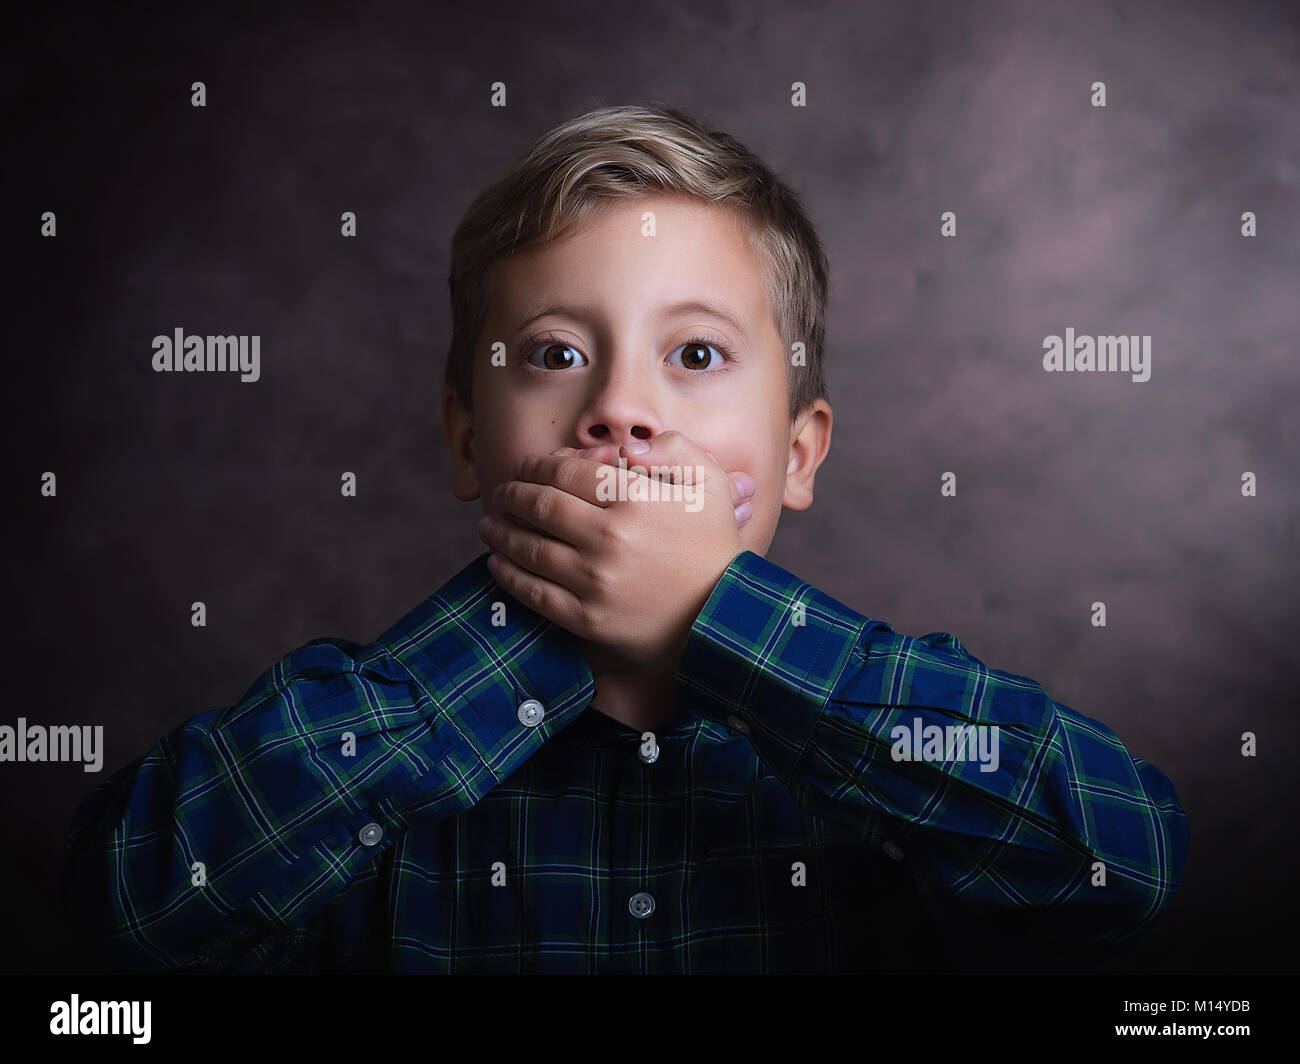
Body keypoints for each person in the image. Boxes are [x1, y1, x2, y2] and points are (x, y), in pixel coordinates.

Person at [59, 103, 1189, 973]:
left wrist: (716, 614)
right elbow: (117, 913)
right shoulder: (361, 773)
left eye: (695, 355)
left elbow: (1125, 853)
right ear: (467, 442)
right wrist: (522, 632)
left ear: (798, 453)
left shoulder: (891, 743)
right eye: (555, 355)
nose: (621, 408)